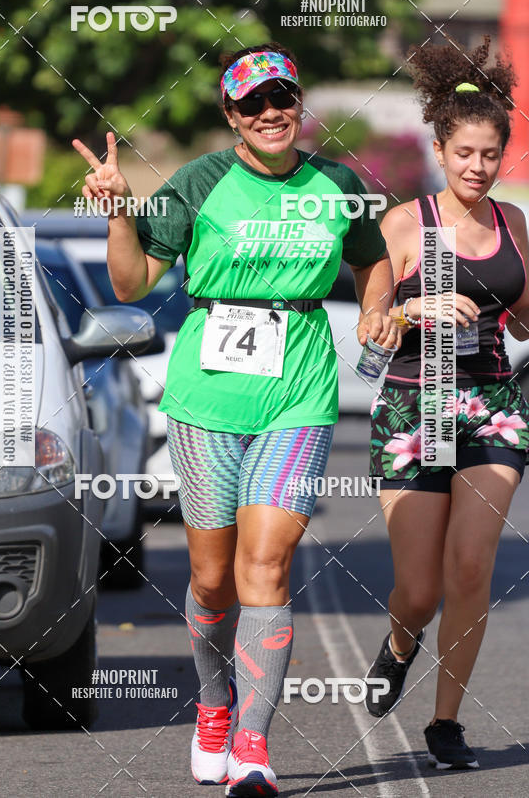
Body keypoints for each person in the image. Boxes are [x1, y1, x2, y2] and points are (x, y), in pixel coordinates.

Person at [73, 42, 399, 797]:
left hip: (301, 391)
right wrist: (120, 211)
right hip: (208, 398)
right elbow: (131, 281)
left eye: (281, 97)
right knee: (214, 579)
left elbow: (371, 258)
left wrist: (377, 307)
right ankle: (214, 705)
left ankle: (252, 746)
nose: (271, 113)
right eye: (252, 104)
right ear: (231, 116)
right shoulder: (198, 182)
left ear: (299, 102)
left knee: (268, 563)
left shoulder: (339, 185)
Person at [364, 35, 529, 771]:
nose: (477, 167)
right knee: (420, 588)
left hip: (492, 406)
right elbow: (373, 330)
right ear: (440, 147)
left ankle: (446, 722)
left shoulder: (516, 226)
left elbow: (527, 318)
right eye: (464, 153)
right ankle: (402, 642)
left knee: (471, 569)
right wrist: (413, 310)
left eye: (490, 155)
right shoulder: (404, 225)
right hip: (413, 408)